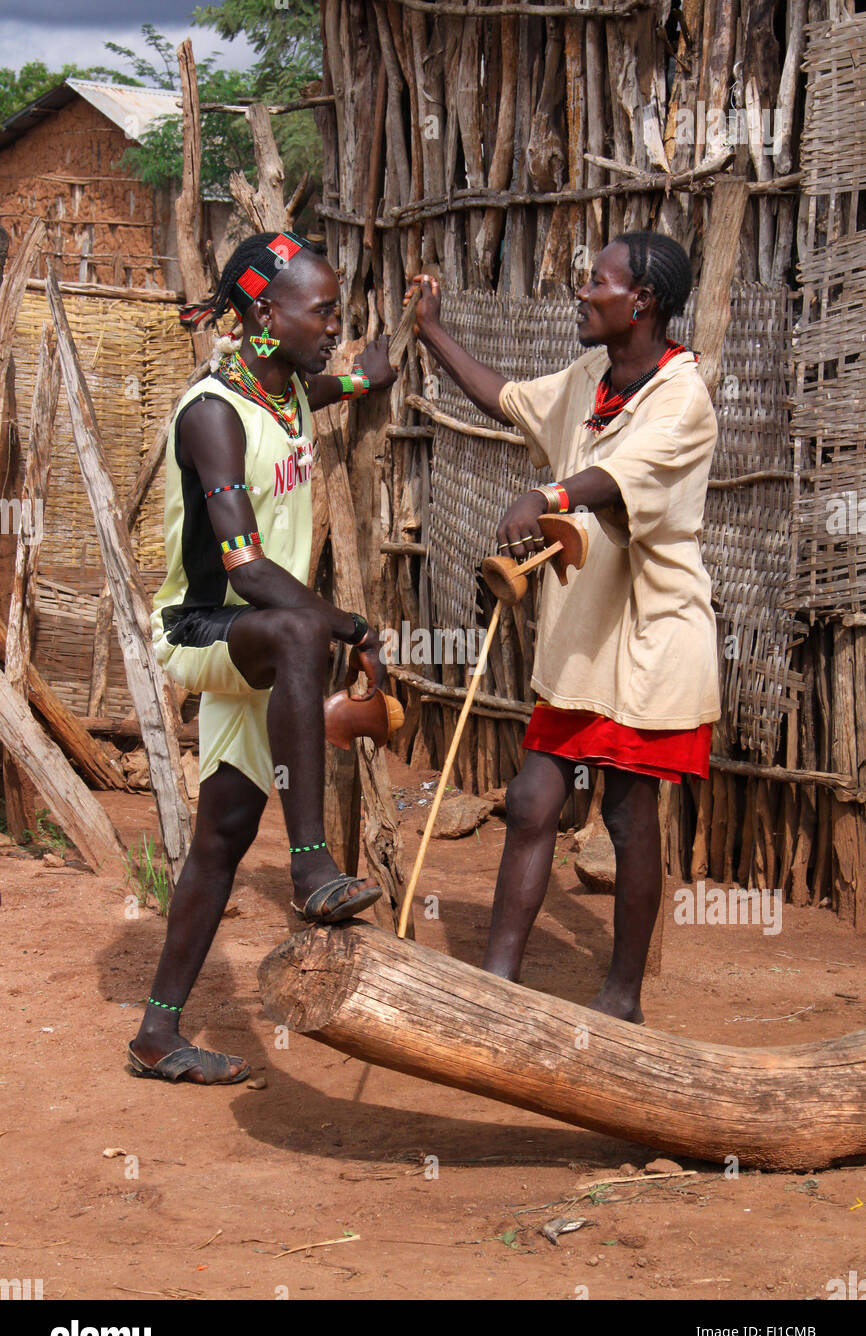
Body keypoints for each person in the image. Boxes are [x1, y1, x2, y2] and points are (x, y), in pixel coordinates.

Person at [407, 231, 721, 1022]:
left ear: (641, 301)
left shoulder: (682, 397)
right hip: (584, 639)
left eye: (598, 283)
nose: (583, 293)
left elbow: (617, 480)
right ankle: (495, 989)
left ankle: (621, 1002)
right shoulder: (590, 377)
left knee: (624, 811)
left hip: (652, 636)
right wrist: (431, 332)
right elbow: (510, 398)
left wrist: (547, 498)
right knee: (531, 800)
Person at [128, 231, 396, 1084]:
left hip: (264, 651)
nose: (333, 325)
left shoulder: (290, 395)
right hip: (205, 627)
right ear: (262, 314)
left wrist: (381, 364)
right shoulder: (213, 412)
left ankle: (157, 1034)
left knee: (224, 833)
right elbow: (242, 563)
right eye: (321, 313)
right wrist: (347, 626)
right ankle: (312, 865)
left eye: (336, 310)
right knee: (299, 631)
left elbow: (343, 382)